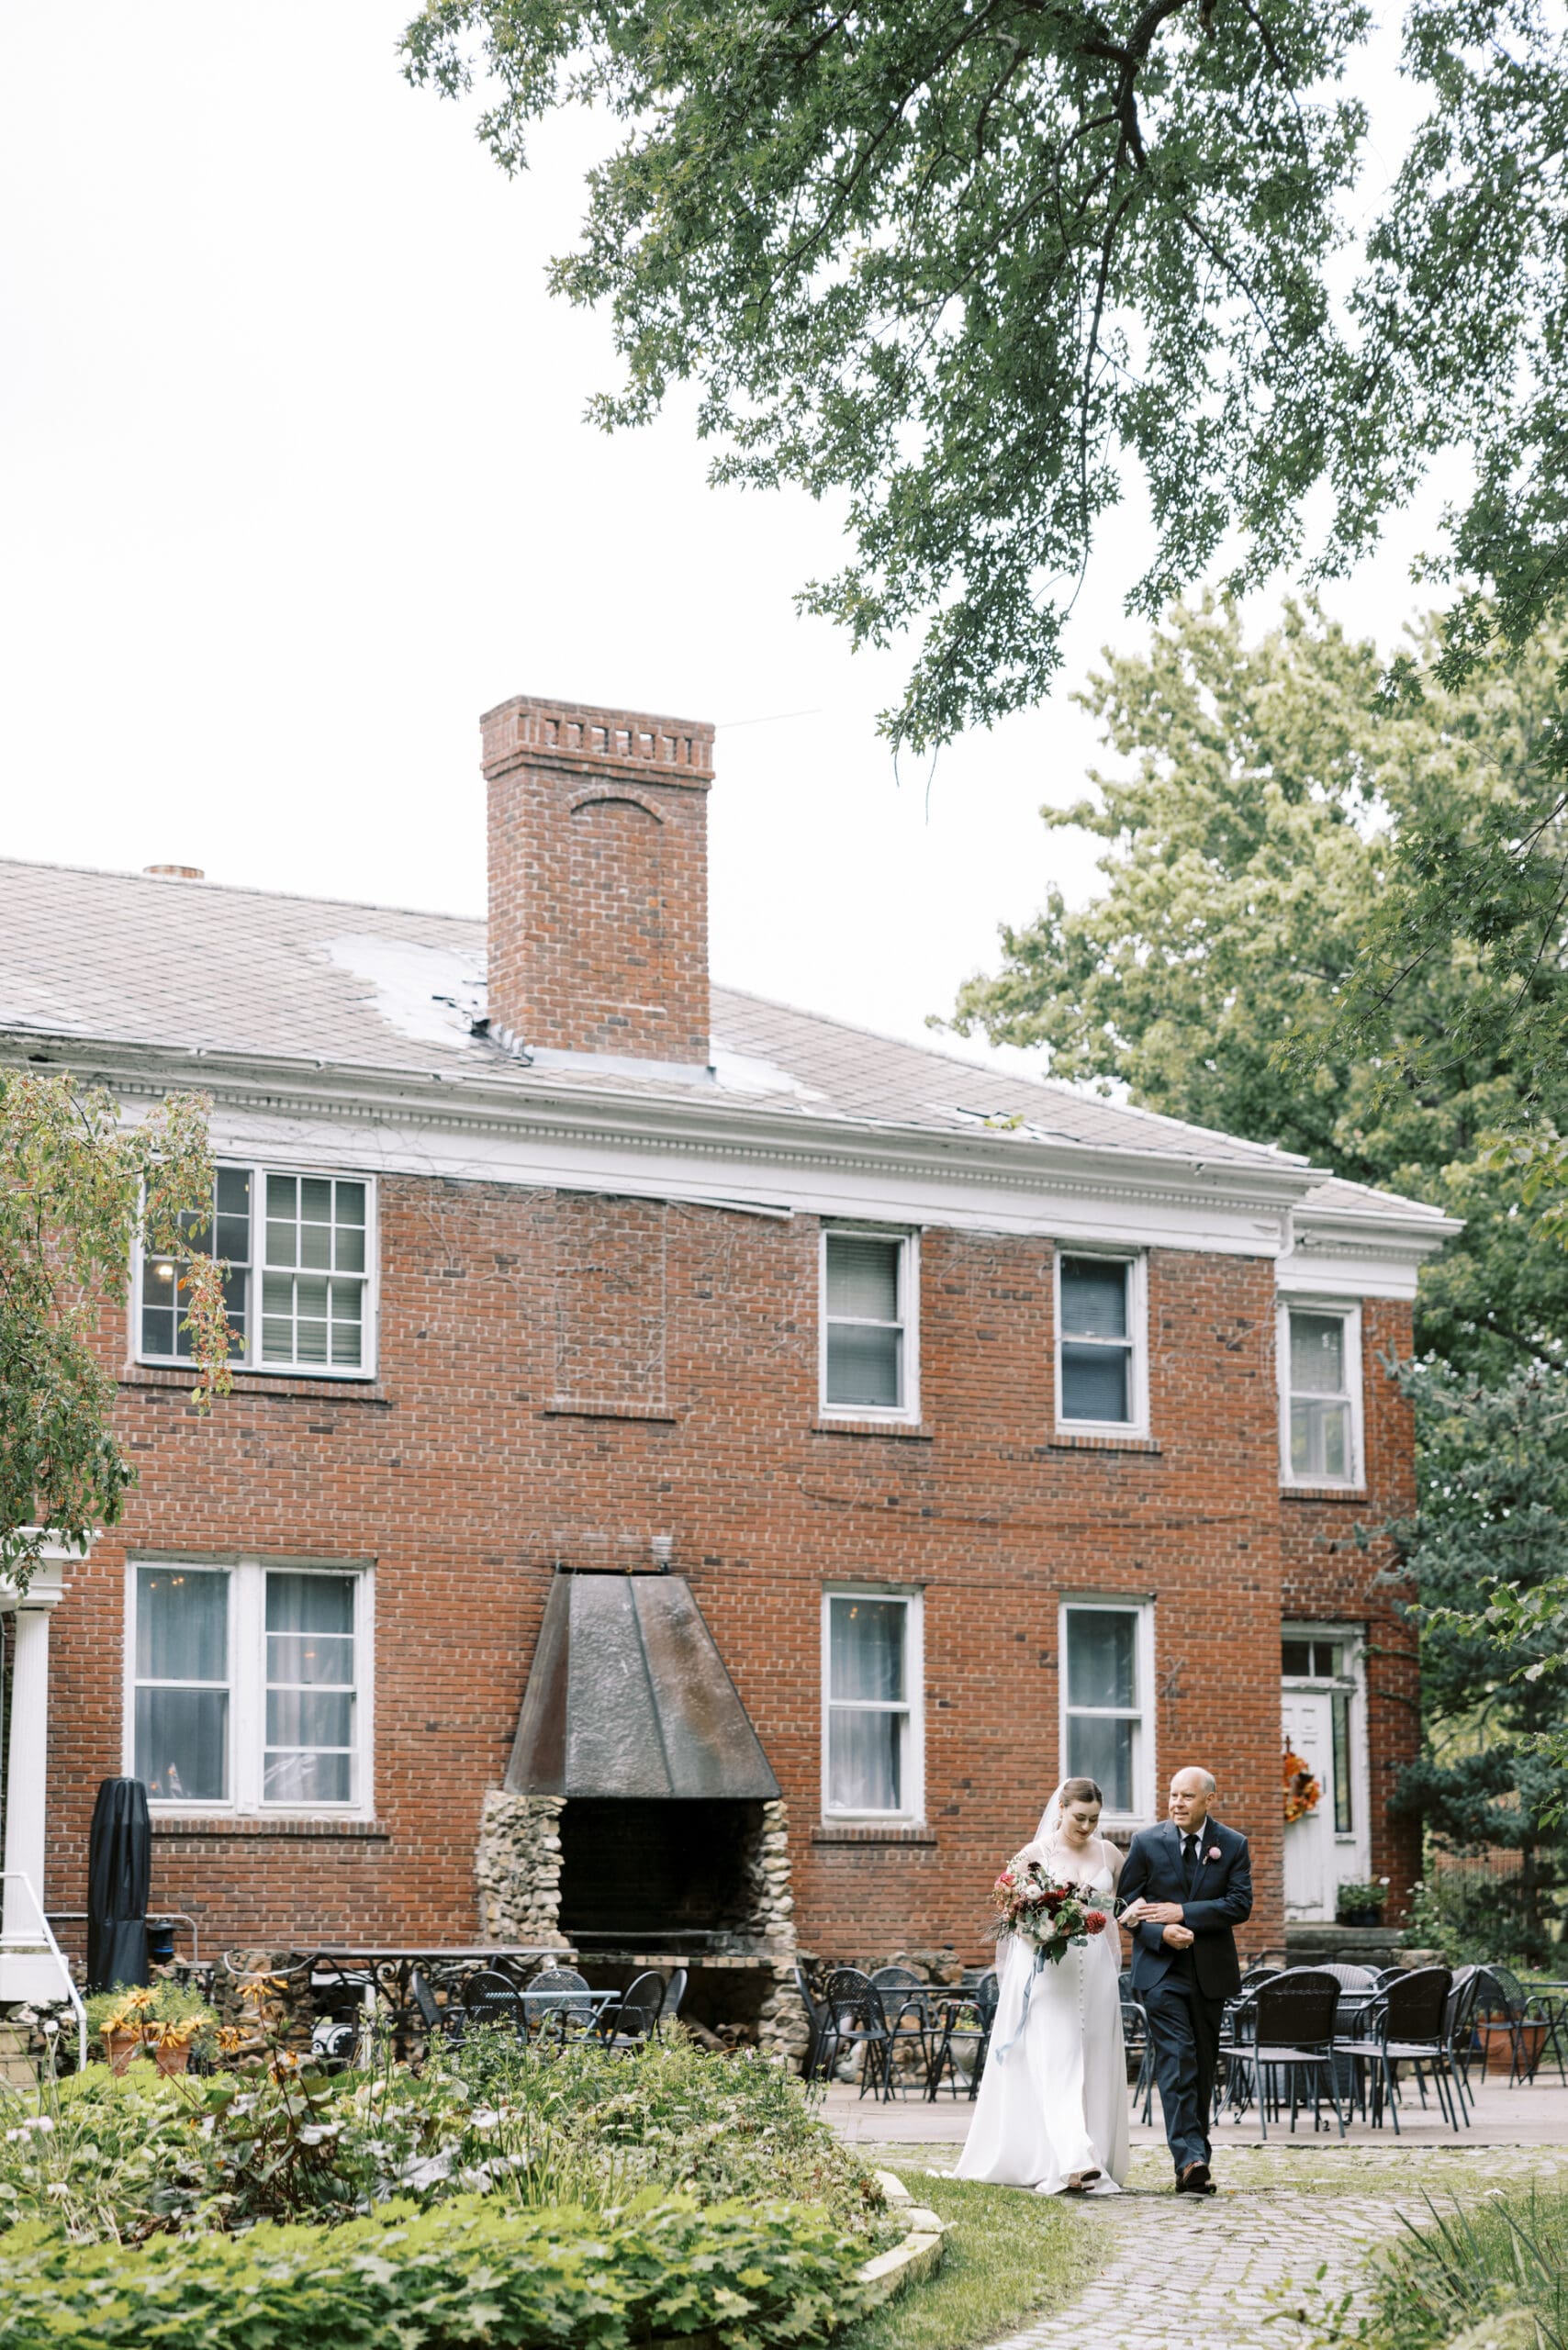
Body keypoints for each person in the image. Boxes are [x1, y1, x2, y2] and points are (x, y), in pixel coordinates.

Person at [956, 1777, 1129, 2195]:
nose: (1086, 1827)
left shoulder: (1110, 1854)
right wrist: (1043, 1930)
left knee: (1093, 2059)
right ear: (1061, 1810)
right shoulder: (1033, 1856)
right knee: (1059, 2060)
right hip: (1052, 1971)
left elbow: (1111, 1908)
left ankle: (1093, 2153)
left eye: (1094, 1819)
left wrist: (1107, 1908)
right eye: (1079, 1818)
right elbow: (1012, 1917)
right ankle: (1073, 2161)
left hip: (1098, 1971)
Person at [1118, 1765, 1252, 2196]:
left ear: (1209, 1800)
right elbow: (1126, 1905)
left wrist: (1183, 1913)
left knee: (1202, 2066)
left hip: (1210, 1974)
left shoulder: (1232, 1845)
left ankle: (1196, 2160)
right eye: (1173, 1795)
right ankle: (1190, 2158)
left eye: (1187, 1796)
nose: (1177, 1803)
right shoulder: (1145, 1843)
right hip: (1161, 1972)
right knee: (1178, 2059)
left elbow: (1239, 1904)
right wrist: (1160, 1932)